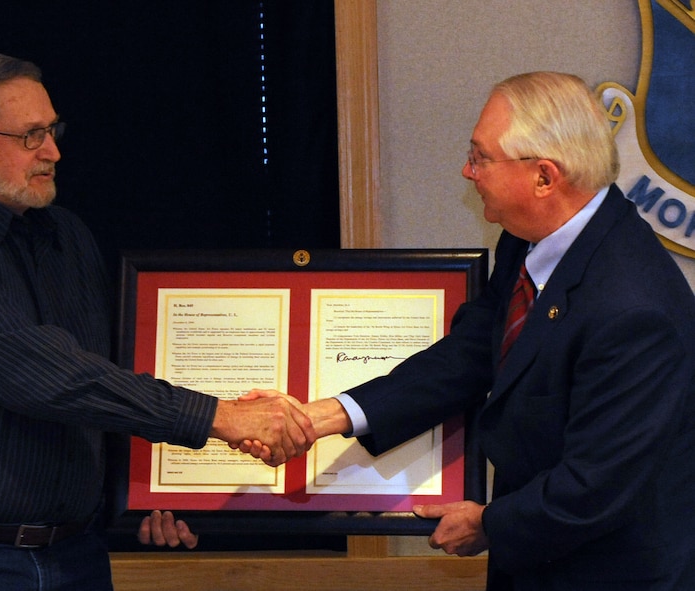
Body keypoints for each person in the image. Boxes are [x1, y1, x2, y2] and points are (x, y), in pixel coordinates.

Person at [0, 53, 312, 591]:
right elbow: (40, 375)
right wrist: (219, 417)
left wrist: (154, 493)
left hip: (75, 555)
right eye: (30, 136)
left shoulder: (67, 237)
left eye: (52, 130)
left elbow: (106, 381)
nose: (52, 152)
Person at [240, 72, 695, 590]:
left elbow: (595, 487)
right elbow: (476, 349)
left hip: (609, 573)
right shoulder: (531, 238)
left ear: (544, 178)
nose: (467, 171)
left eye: (481, 158)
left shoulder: (634, 311)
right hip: (543, 559)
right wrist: (325, 415)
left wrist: (489, 525)